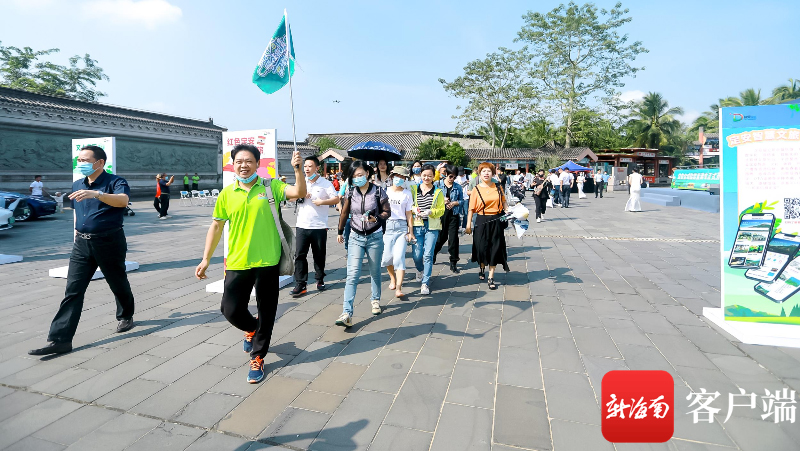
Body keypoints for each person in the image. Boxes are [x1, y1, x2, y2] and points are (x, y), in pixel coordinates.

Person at [195, 144, 306, 384]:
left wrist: (298, 170)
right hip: (237, 260)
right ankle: (253, 328)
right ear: (233, 164)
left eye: (248, 161)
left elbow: (299, 192)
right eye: (239, 161)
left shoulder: (271, 186)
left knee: (267, 310)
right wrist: (206, 258)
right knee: (230, 309)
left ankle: (258, 356)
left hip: (267, 261)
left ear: (257, 164)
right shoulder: (227, 193)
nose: (243, 165)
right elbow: (216, 226)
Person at [29, 146, 135, 356]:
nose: (80, 164)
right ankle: (60, 339)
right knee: (73, 290)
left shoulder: (115, 182)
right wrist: (77, 234)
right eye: (78, 160)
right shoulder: (78, 184)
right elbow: (78, 213)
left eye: (85, 160)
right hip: (82, 244)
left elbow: (123, 200)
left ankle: (125, 315)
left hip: (109, 241)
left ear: (100, 163)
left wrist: (97, 194)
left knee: (117, 281)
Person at [336, 160, 390, 326]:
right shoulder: (351, 192)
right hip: (355, 236)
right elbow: (344, 212)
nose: (357, 178)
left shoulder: (378, 191)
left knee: (375, 271)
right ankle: (346, 312)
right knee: (352, 274)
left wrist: (377, 218)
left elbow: (387, 212)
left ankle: (375, 300)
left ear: (367, 173)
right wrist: (339, 231)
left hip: (375, 237)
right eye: (354, 176)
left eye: (360, 174)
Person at [291, 156, 339, 297]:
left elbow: (336, 199)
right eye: (305, 166)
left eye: (310, 166)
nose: (306, 169)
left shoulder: (325, 183)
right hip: (302, 225)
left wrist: (321, 202)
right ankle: (301, 284)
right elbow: (291, 197)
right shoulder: (301, 181)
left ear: (317, 168)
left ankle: (320, 279)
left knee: (319, 255)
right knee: (299, 255)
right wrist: (300, 194)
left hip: (319, 226)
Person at [465, 162, 509, 290]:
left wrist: (509, 212)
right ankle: (482, 266)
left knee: (495, 247)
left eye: (489, 171)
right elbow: (471, 208)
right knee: (481, 247)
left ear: (493, 173)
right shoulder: (476, 189)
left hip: (496, 220)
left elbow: (504, 203)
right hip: (481, 220)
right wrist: (468, 224)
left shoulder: (498, 187)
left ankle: (491, 276)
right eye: (483, 171)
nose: (486, 173)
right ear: (479, 173)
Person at [409, 164, 445, 295]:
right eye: (424, 175)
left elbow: (441, 210)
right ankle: (420, 269)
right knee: (417, 255)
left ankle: (425, 283)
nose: (426, 178)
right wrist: (414, 209)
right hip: (417, 225)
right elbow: (409, 204)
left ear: (434, 176)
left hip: (432, 226)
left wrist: (431, 212)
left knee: (428, 255)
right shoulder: (414, 189)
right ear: (420, 175)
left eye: (430, 176)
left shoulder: (438, 191)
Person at [382, 166, 414, 298]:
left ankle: (399, 288)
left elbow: (409, 214)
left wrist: (410, 231)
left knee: (399, 257)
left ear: (405, 179)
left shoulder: (407, 194)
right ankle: (392, 278)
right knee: (387, 257)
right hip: (387, 226)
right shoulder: (385, 191)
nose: (399, 179)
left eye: (402, 177)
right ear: (392, 177)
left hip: (401, 226)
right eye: (397, 176)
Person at [433, 164, 466, 273]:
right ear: (446, 174)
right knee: (440, 238)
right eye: (450, 176)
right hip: (441, 215)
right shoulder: (437, 184)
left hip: (453, 215)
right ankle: (433, 253)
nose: (452, 179)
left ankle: (453, 262)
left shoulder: (458, 187)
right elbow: (432, 198)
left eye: (454, 177)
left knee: (453, 239)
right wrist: (442, 200)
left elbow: (462, 201)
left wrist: (455, 203)